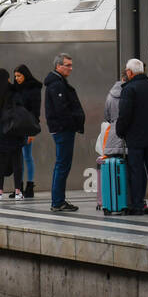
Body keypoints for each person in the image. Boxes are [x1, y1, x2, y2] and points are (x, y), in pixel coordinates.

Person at [117, 59, 148, 216]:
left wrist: (121, 131)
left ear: (130, 72)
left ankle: (137, 205)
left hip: (135, 138)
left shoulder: (129, 89)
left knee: (136, 171)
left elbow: (125, 114)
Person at [43, 52, 84, 212]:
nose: (70, 68)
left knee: (62, 164)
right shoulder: (57, 84)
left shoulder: (57, 82)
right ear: (58, 66)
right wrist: (72, 123)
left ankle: (58, 200)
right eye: (67, 65)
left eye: (71, 65)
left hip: (61, 129)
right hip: (63, 129)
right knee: (62, 164)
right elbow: (62, 109)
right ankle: (58, 201)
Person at [0, 68, 25, 201]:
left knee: (1, 163)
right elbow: (20, 109)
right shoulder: (13, 91)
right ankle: (18, 191)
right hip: (14, 132)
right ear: (7, 79)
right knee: (17, 162)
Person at [12, 65, 42, 199]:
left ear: (25, 75)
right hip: (16, 127)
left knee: (27, 156)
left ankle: (29, 186)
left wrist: (32, 132)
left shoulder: (33, 89)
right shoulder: (15, 89)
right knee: (18, 158)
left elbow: (36, 111)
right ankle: (19, 187)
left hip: (27, 126)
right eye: (15, 76)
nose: (17, 78)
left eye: (19, 76)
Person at [100, 74, 128, 161]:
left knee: (116, 170)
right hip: (128, 138)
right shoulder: (131, 93)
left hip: (113, 137)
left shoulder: (110, 95)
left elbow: (107, 116)